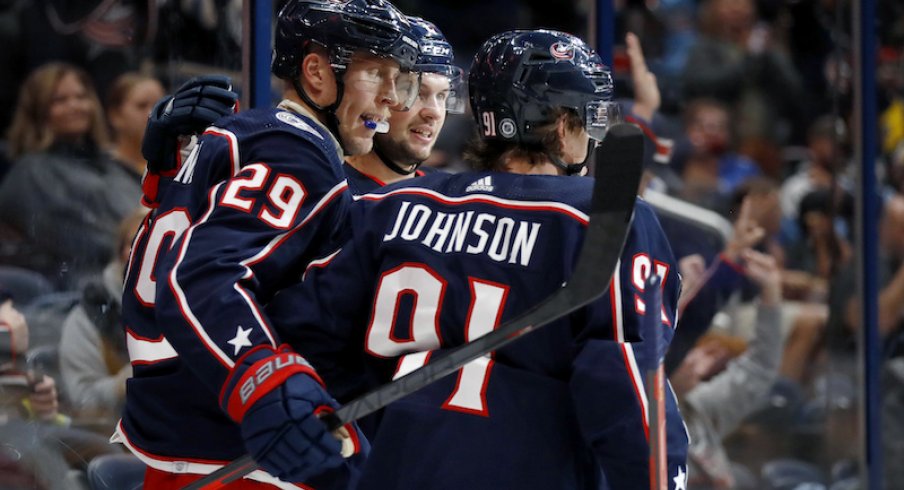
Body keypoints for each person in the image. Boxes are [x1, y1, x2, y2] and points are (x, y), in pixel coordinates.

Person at [267, 29, 688, 489]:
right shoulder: (603, 217)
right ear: (565, 126)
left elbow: (304, 339)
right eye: (589, 122)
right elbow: (622, 384)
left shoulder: (392, 205)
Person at [116, 1, 420, 488]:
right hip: (246, 448)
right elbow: (203, 275)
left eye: (397, 79)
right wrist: (265, 383)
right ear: (317, 73)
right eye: (376, 75)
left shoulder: (247, 134)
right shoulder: (296, 151)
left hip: (180, 431)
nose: (392, 99)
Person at [0, 62, 140, 289]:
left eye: (81, 97)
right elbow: (78, 240)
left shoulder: (110, 165)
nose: (75, 106)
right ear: (39, 110)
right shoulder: (31, 173)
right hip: (84, 285)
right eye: (60, 100)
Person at [670, 249, 783, 489]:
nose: (693, 361)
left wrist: (771, 294)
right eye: (683, 353)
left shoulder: (697, 407)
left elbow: (758, 368)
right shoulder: (638, 426)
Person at [343, 15, 465, 194]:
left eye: (441, 96)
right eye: (417, 93)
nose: (435, 113)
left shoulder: (451, 194)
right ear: (382, 95)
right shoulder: (332, 194)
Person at [59, 208, 145, 422]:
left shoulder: (197, 307)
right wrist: (129, 380)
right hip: (121, 436)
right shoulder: (88, 317)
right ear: (123, 253)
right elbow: (82, 401)